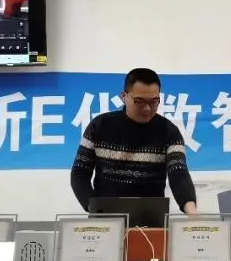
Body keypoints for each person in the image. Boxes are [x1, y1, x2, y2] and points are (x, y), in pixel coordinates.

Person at [71, 68, 198, 215]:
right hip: (105, 219)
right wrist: (93, 208)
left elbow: (179, 174)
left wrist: (192, 213)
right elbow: (80, 173)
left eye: (154, 102)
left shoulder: (169, 132)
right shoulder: (100, 126)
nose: (147, 109)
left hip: (152, 220)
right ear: (124, 96)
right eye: (139, 101)